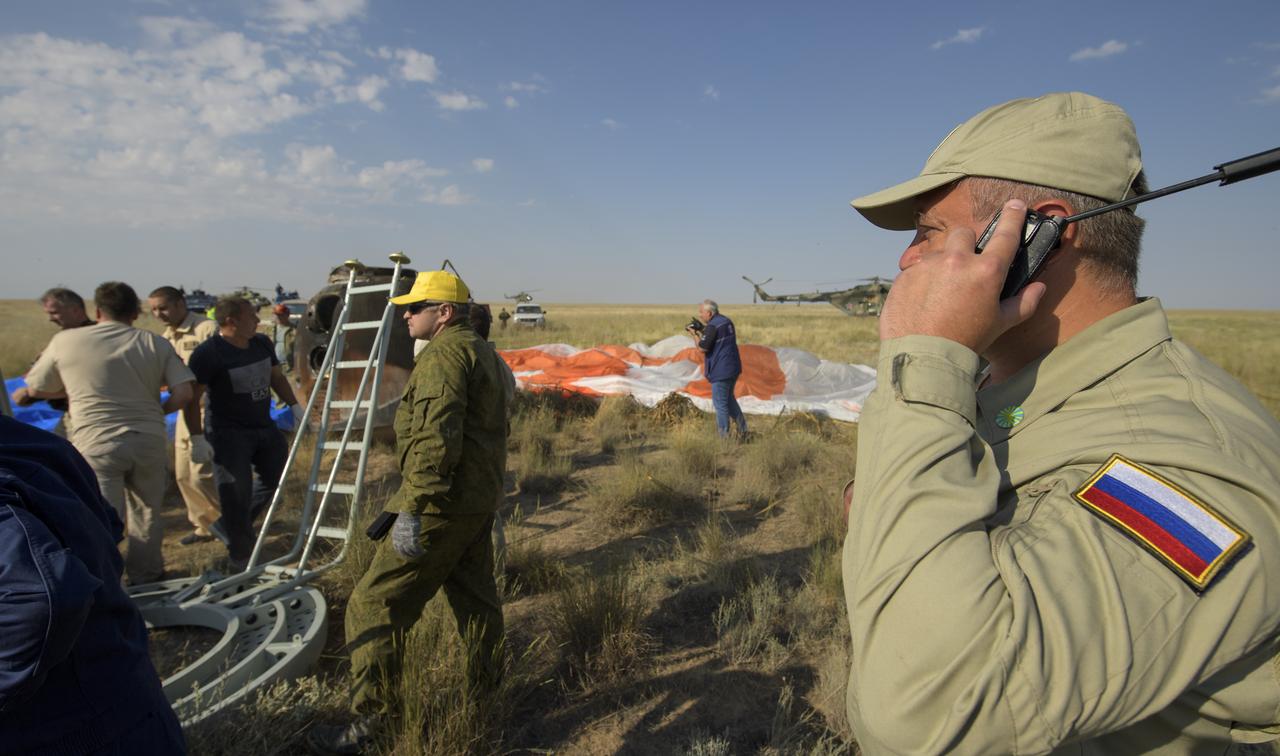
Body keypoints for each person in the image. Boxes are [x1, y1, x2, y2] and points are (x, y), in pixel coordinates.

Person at [840, 92, 1280, 753]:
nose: (907, 259)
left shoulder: (1187, 467)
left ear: (1038, 236)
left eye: (929, 232)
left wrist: (926, 355)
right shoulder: (1027, 393)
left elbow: (925, 722)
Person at [308, 271, 508, 755]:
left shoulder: (444, 355)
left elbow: (436, 438)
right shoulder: (484, 352)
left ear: (444, 313)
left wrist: (414, 509)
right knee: (475, 601)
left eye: (415, 307)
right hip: (475, 501)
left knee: (373, 604)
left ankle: (375, 722)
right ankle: (488, 693)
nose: (405, 314)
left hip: (440, 504)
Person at [0, 416, 186, 754]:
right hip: (128, 692)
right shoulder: (39, 443)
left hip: (62, 731)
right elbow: (108, 524)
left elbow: (39, 599)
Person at [22, 281, 195, 584]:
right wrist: (158, 411)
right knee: (148, 512)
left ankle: (106, 580)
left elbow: (36, 387)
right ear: (136, 312)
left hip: (96, 441)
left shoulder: (67, 341)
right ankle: (147, 575)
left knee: (101, 516)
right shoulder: (154, 342)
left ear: (98, 310)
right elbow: (183, 394)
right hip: (148, 439)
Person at [187, 296, 302, 571]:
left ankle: (227, 525)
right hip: (228, 434)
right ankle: (240, 556)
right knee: (235, 492)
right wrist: (196, 438)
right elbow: (192, 400)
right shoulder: (208, 354)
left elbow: (276, 377)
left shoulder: (261, 344)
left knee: (275, 479)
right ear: (232, 321)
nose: (257, 320)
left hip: (263, 426)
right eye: (252, 315)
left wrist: (296, 408)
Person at [150, 285, 222, 546]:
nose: (159, 314)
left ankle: (222, 524)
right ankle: (204, 526)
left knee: (201, 474)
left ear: (181, 303)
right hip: (184, 411)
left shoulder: (206, 329)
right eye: (154, 310)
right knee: (182, 474)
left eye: (164, 307)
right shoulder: (166, 337)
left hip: (206, 411)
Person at [686, 299, 747, 438]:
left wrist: (695, 335)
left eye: (701, 312)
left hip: (721, 370)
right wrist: (703, 329)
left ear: (709, 312)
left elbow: (702, 348)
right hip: (733, 367)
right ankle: (743, 430)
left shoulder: (713, 326)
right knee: (729, 399)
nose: (700, 315)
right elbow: (716, 336)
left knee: (720, 404)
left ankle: (724, 438)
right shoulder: (726, 321)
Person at [271, 303, 297, 372]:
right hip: (275, 365)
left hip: (290, 367)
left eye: (281, 315)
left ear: (287, 315)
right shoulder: (272, 329)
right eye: (276, 315)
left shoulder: (294, 330)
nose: (278, 317)